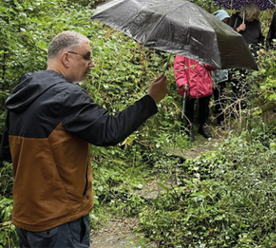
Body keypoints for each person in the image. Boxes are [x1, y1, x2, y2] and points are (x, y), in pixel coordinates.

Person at [0, 31, 167, 248]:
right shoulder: (66, 96)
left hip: (25, 216)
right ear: (66, 58)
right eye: (87, 56)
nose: (92, 63)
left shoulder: (23, 92)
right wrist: (151, 99)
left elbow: (6, 152)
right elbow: (110, 131)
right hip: (59, 220)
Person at [174, 56, 215, 140]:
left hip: (204, 81)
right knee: (189, 106)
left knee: (204, 105)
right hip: (189, 82)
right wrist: (182, 82)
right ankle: (189, 127)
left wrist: (206, 63)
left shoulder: (205, 49)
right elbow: (178, 66)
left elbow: (213, 66)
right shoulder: (184, 49)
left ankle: (202, 126)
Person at [212, 10, 230, 127]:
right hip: (212, 71)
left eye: (226, 21)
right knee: (213, 94)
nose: (225, 23)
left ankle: (221, 119)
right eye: (223, 21)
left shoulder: (226, 33)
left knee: (222, 95)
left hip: (223, 70)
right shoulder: (210, 34)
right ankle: (209, 116)